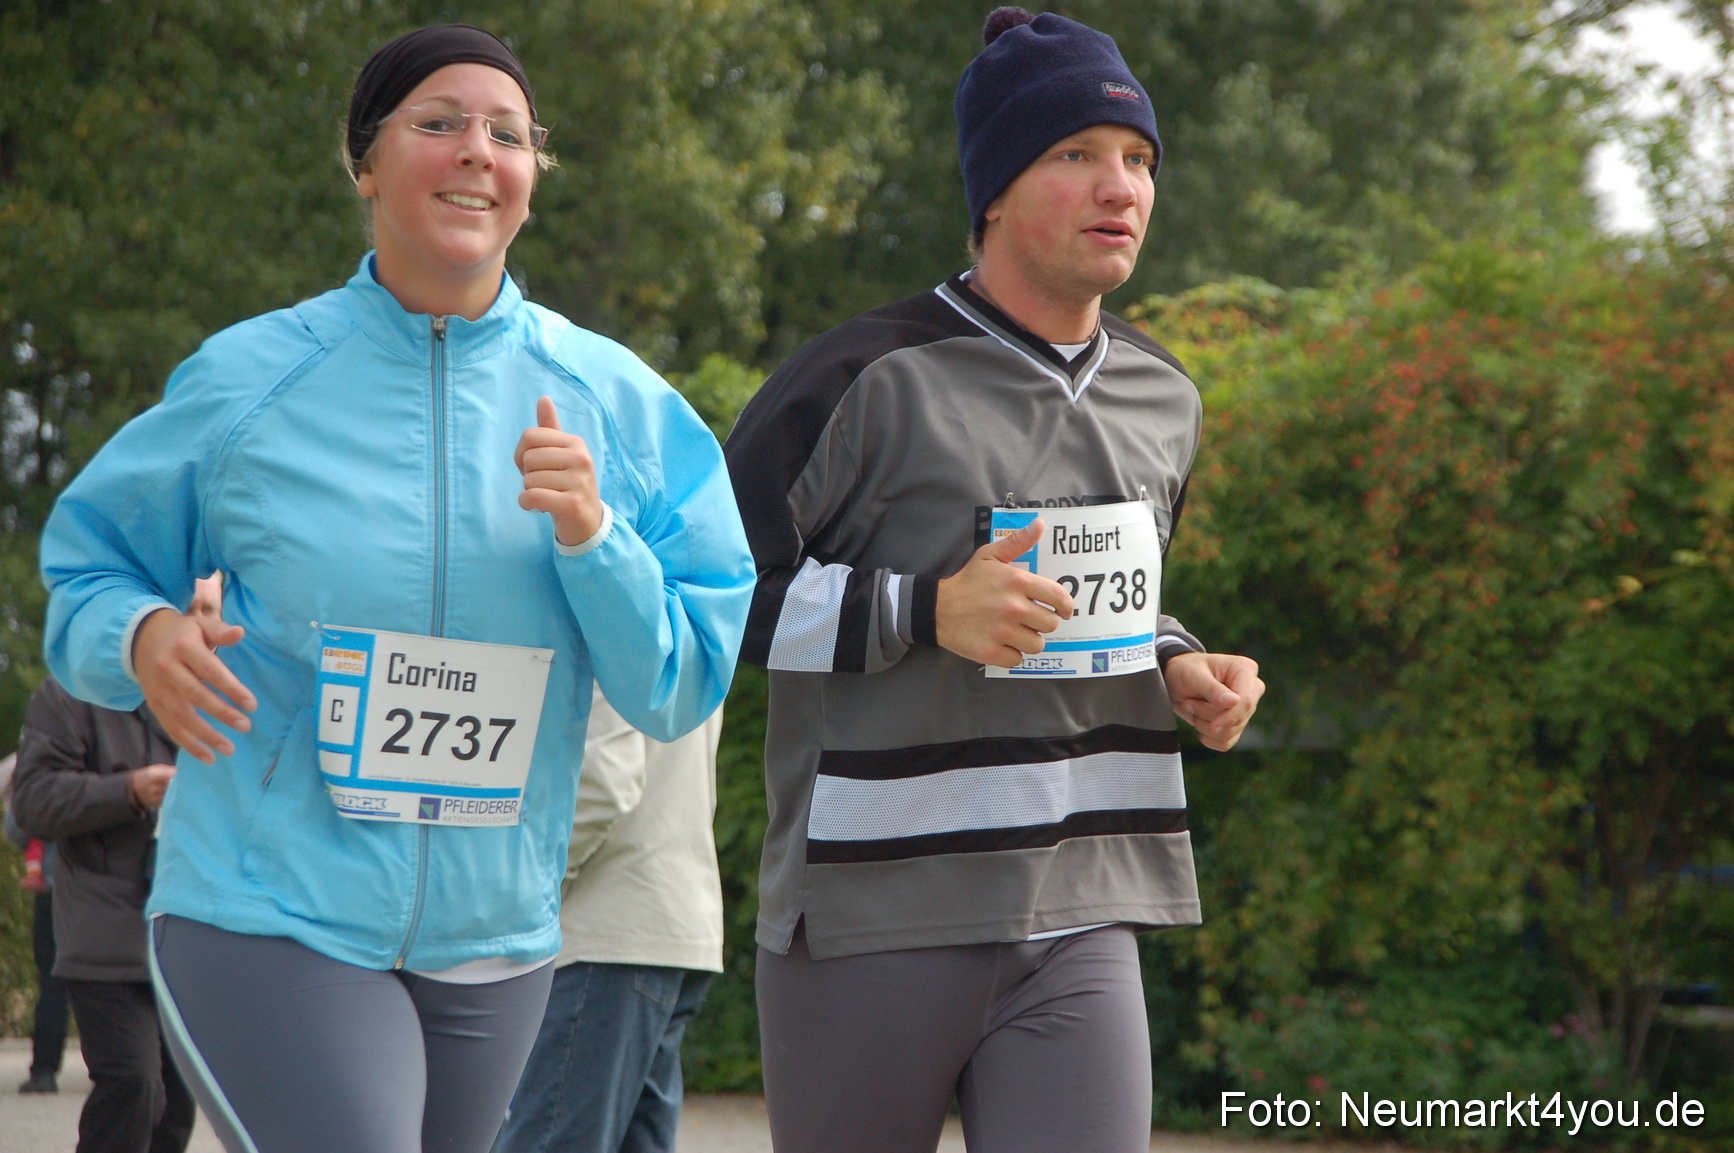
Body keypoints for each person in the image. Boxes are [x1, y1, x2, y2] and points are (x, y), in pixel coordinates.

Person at [38, 23, 753, 1153]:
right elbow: (88, 565)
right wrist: (141, 630)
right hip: (268, 909)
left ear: (530, 182)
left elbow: (680, 680)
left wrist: (594, 536)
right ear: (366, 164)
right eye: (440, 123)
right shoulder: (250, 379)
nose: (479, 150)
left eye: (509, 134)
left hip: (501, 938)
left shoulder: (618, 404)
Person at [723, 9, 1266, 1152]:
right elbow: (712, 599)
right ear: (994, 191)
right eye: (1074, 154)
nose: (1119, 185)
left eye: (1138, 159)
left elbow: (1106, 594)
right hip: (874, 914)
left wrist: (1178, 659)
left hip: (1085, 905)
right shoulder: (856, 378)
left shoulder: (1168, 395)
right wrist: (926, 608)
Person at [494, 686, 724, 1153]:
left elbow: (604, 780)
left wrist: (521, 887)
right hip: (669, 920)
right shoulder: (683, 621)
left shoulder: (611, 625)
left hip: (602, 927)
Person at [9, 675, 195, 1153]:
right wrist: (129, 789)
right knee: (134, 1083)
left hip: (192, 928)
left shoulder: (219, 687)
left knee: (176, 1106)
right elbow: (32, 803)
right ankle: (44, 1069)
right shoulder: (70, 693)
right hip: (104, 929)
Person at [3, 752, 71, 1096]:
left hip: (53, 889)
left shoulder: (43, 782)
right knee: (117, 980)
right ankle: (120, 1069)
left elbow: (15, 829)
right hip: (110, 891)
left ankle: (44, 1070)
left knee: (53, 982)